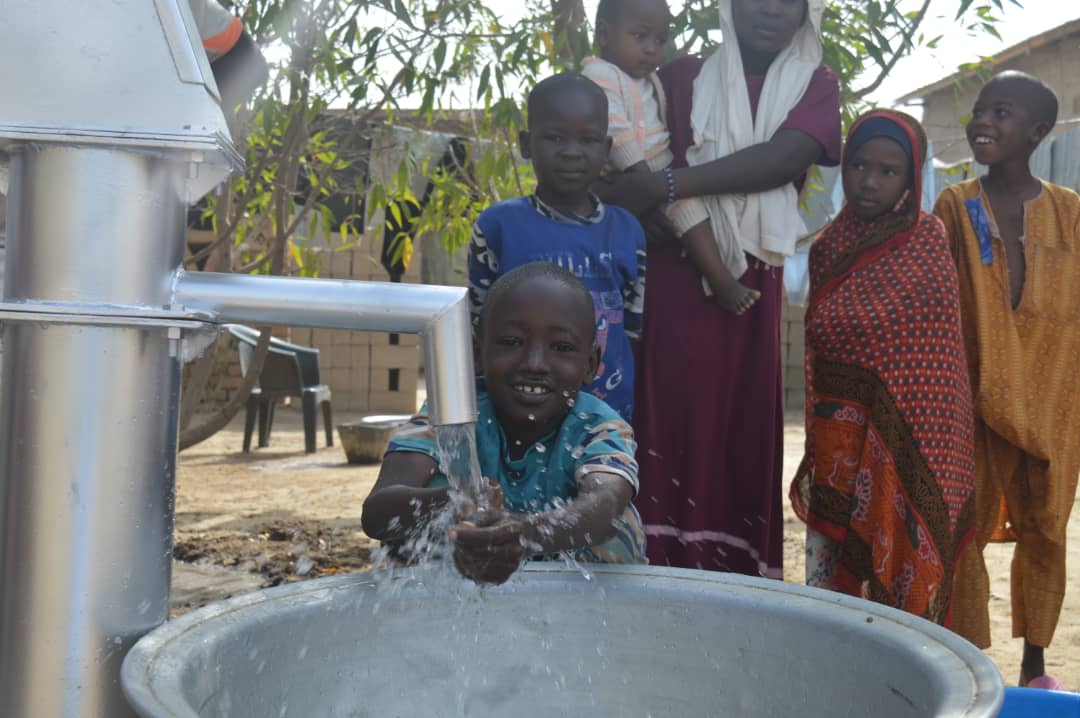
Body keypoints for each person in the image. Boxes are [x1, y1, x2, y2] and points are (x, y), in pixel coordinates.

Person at [598, 0, 841, 573]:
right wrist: (658, 202)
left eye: (789, 1)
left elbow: (783, 159)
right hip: (675, 278)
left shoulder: (815, 83)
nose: (771, 10)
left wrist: (668, 184)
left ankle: (732, 574)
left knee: (737, 425)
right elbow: (626, 154)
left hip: (750, 283)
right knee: (672, 413)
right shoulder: (678, 77)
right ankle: (653, 562)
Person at [788, 110, 976, 624]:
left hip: (913, 443)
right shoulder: (827, 247)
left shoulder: (927, 243)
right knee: (834, 604)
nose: (869, 182)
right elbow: (824, 336)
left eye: (888, 171)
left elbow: (934, 362)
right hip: (839, 446)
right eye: (858, 166)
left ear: (911, 177)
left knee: (903, 601)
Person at [362, 262, 648, 585]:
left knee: (609, 522)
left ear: (590, 364)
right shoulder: (450, 417)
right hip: (453, 587)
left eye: (562, 348)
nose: (534, 364)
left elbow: (606, 504)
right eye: (512, 342)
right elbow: (377, 513)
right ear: (476, 352)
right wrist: (456, 504)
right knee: (420, 513)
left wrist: (522, 533)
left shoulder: (598, 425)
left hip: (585, 602)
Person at [933, 71, 1080, 689]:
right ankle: (969, 658)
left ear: (1039, 133)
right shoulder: (955, 204)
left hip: (1053, 396)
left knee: (1047, 525)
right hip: (973, 395)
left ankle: (1036, 663)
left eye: (1002, 112)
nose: (983, 123)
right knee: (963, 527)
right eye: (980, 112)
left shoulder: (1070, 212)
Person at [468, 73, 647, 422]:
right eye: (554, 137)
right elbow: (478, 327)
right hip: (514, 410)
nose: (571, 152)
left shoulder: (627, 231)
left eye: (588, 140)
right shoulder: (497, 226)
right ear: (525, 144)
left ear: (607, 151)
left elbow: (631, 330)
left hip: (604, 415)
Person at [581, 0, 758, 314]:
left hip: (654, 168)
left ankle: (719, 278)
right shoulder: (599, 74)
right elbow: (616, 130)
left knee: (690, 211)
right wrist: (647, 181)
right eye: (640, 36)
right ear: (605, 35)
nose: (651, 49)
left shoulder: (648, 79)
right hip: (629, 170)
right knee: (682, 209)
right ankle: (722, 281)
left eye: (660, 40)